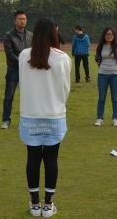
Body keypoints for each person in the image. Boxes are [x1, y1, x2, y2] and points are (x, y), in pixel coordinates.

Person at [19, 18, 71, 217]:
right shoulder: (62, 58)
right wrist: (57, 104)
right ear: (53, 34)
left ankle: (35, 204)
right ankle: (48, 205)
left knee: (32, 157)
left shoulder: (24, 55)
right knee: (51, 158)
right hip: (54, 114)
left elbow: (22, 83)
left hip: (30, 113)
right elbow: (65, 88)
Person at [1, 10, 33, 129]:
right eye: (20, 19)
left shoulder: (30, 35)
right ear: (15, 21)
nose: (22, 21)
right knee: (9, 96)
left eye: (24, 19)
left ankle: (28, 119)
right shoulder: (8, 36)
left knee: (29, 96)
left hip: (28, 71)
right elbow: (9, 54)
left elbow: (33, 51)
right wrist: (23, 62)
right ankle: (6, 120)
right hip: (13, 70)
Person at [94, 27, 117, 127]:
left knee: (115, 98)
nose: (109, 36)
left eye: (111, 34)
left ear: (114, 36)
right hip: (102, 75)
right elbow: (97, 58)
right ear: (104, 35)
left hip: (116, 76)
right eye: (107, 34)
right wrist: (102, 68)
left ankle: (115, 119)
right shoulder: (100, 46)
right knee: (101, 98)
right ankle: (99, 118)